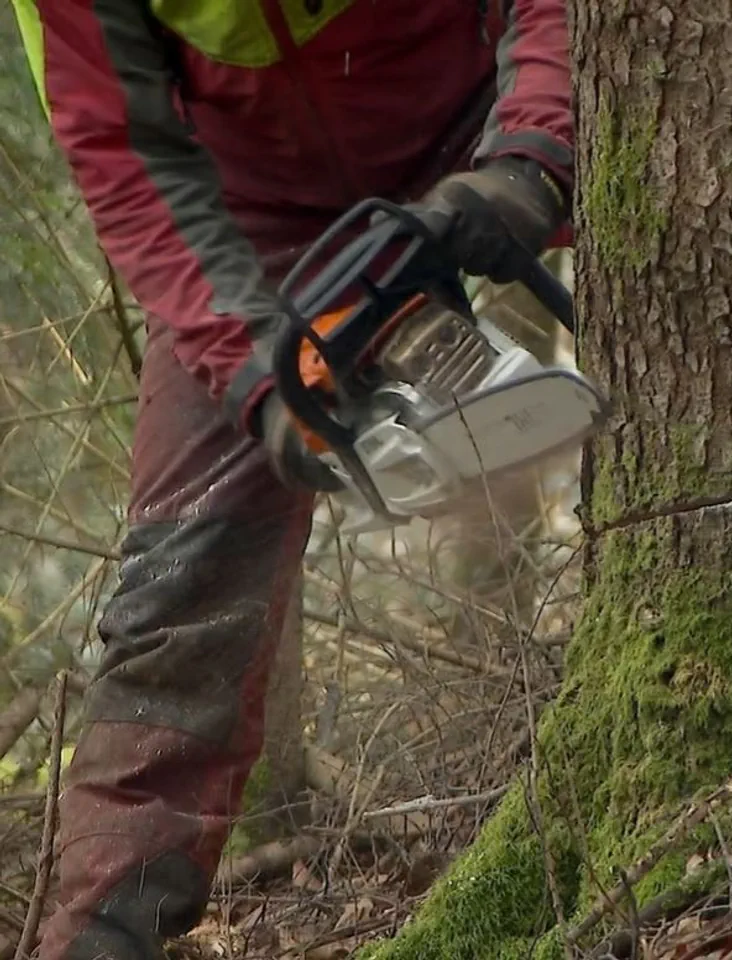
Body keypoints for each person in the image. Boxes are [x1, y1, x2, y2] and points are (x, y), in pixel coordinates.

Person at [9, 1, 573, 956]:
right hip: (254, 212)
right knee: (181, 584)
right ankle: (104, 935)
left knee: (688, 190)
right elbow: (122, 147)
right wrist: (251, 368)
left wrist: (535, 151)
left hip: (482, 110)